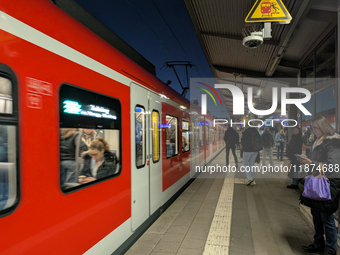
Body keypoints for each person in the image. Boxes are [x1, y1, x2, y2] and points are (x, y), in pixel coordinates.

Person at [298, 116, 340, 255]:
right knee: (316, 214)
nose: (312, 131)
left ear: (323, 127)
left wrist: (311, 163)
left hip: (328, 184)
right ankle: (318, 244)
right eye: (311, 128)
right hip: (318, 182)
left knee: (327, 218)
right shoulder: (318, 140)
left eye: (314, 128)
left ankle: (331, 249)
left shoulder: (333, 142)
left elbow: (334, 167)